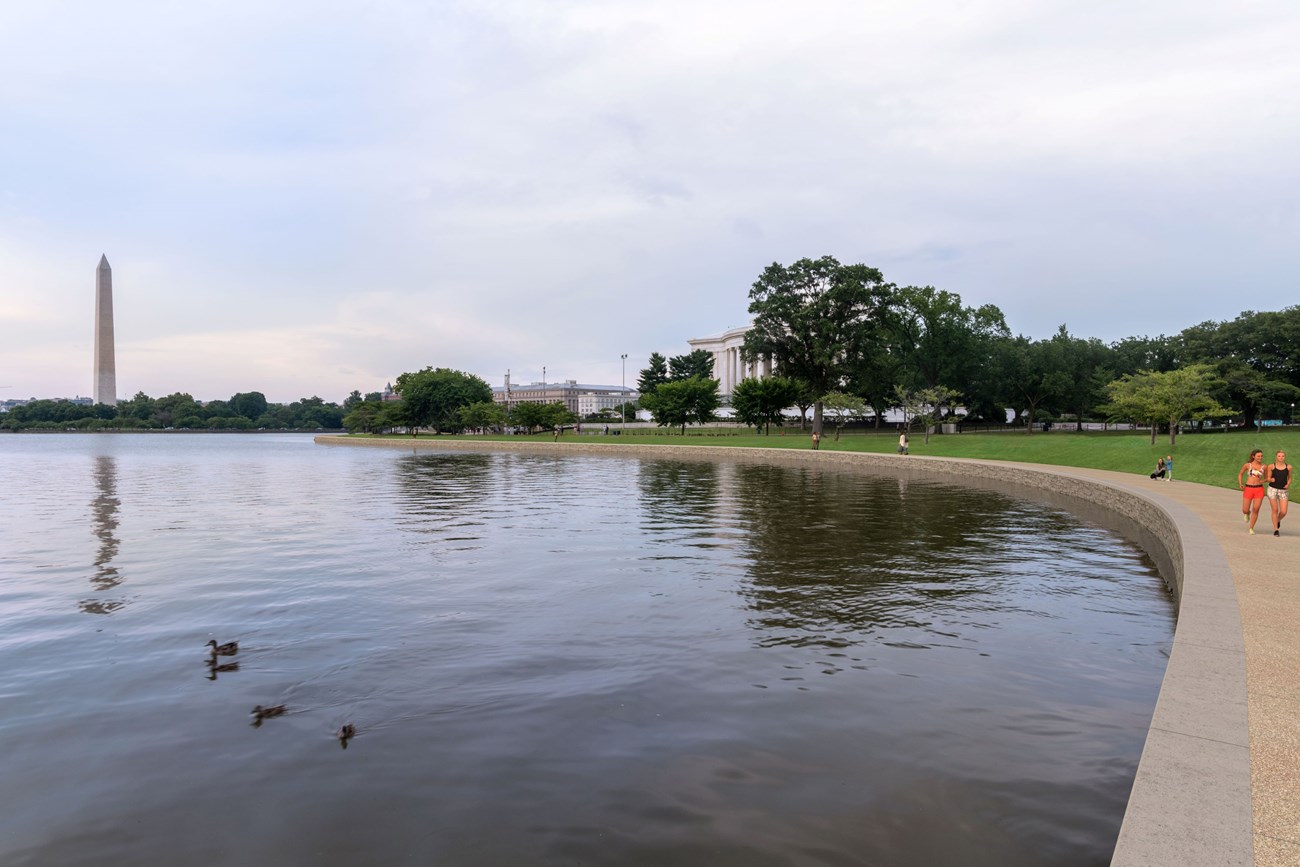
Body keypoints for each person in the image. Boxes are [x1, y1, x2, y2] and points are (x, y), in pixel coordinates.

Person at [1238, 449, 1268, 534]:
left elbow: (1266, 478)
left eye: (1261, 456)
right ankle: (1247, 513)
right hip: (1248, 488)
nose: (1260, 457)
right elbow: (1240, 474)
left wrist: (1263, 481)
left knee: (1256, 509)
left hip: (1259, 489)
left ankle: (1251, 528)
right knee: (1245, 510)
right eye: (1258, 456)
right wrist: (1240, 484)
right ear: (1253, 456)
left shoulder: (1264, 466)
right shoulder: (1247, 465)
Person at [1266, 450, 1292, 537]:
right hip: (1272, 489)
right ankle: (1276, 529)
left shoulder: (1289, 467)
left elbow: (1290, 478)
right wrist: (1270, 479)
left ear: (1285, 457)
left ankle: (1277, 520)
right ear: (1276, 457)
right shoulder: (1271, 466)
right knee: (1275, 510)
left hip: (1283, 491)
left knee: (1283, 511)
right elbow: (1268, 478)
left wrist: (1288, 484)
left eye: (1283, 456)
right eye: (1279, 456)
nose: (1281, 458)